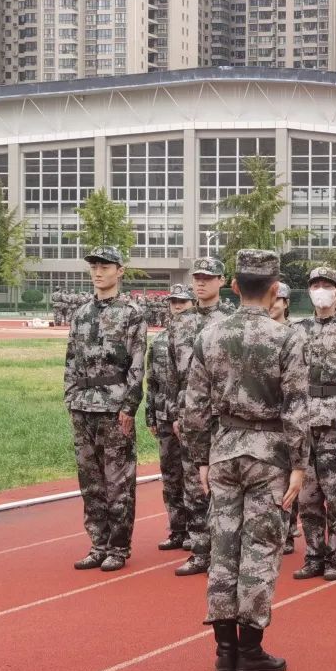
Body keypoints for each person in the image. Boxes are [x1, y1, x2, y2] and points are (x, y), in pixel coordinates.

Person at [183, 249, 310, 671]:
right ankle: (250, 650)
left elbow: (194, 405)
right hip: (269, 453)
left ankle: (224, 651)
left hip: (223, 449)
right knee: (259, 550)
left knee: (223, 547)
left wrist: (200, 455)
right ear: (274, 289)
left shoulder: (210, 335)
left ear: (234, 287)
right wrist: (300, 463)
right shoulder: (286, 337)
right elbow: (296, 406)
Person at [65, 246, 147, 572]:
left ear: (119, 271)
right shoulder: (81, 313)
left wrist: (129, 406)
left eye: (105, 266)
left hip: (114, 407)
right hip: (83, 406)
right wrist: (71, 399)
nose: (98, 272)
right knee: (91, 482)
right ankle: (97, 544)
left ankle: (118, 547)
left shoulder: (131, 313)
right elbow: (71, 360)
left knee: (119, 482)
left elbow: (137, 365)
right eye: (94, 267)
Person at [291, 266, 336, 582]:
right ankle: (313, 555)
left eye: (327, 285)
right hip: (303, 422)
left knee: (335, 495)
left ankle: (334, 557)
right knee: (307, 497)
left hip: (335, 421)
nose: (320, 290)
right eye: (315, 285)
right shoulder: (297, 330)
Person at [167, 255, 231, 575]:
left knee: (224, 484)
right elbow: (171, 372)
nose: (201, 282)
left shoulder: (231, 321)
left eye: (208, 277)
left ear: (222, 281)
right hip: (190, 414)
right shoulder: (180, 322)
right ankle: (200, 550)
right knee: (193, 484)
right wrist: (174, 413)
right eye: (197, 277)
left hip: (223, 414)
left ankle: (225, 550)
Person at [146, 284, 194, 551]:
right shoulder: (159, 340)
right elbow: (152, 381)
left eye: (182, 302)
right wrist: (150, 415)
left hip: (190, 417)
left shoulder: (199, 335)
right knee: (171, 476)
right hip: (165, 416)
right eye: (174, 302)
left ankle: (197, 532)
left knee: (193, 477)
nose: (177, 306)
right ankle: (177, 529)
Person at [268, 282, 302, 555]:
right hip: (266, 415)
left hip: (289, 414)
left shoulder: (296, 335)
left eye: (278, 299)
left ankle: (289, 529)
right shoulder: (260, 333)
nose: (273, 304)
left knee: (291, 473)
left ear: (286, 303)